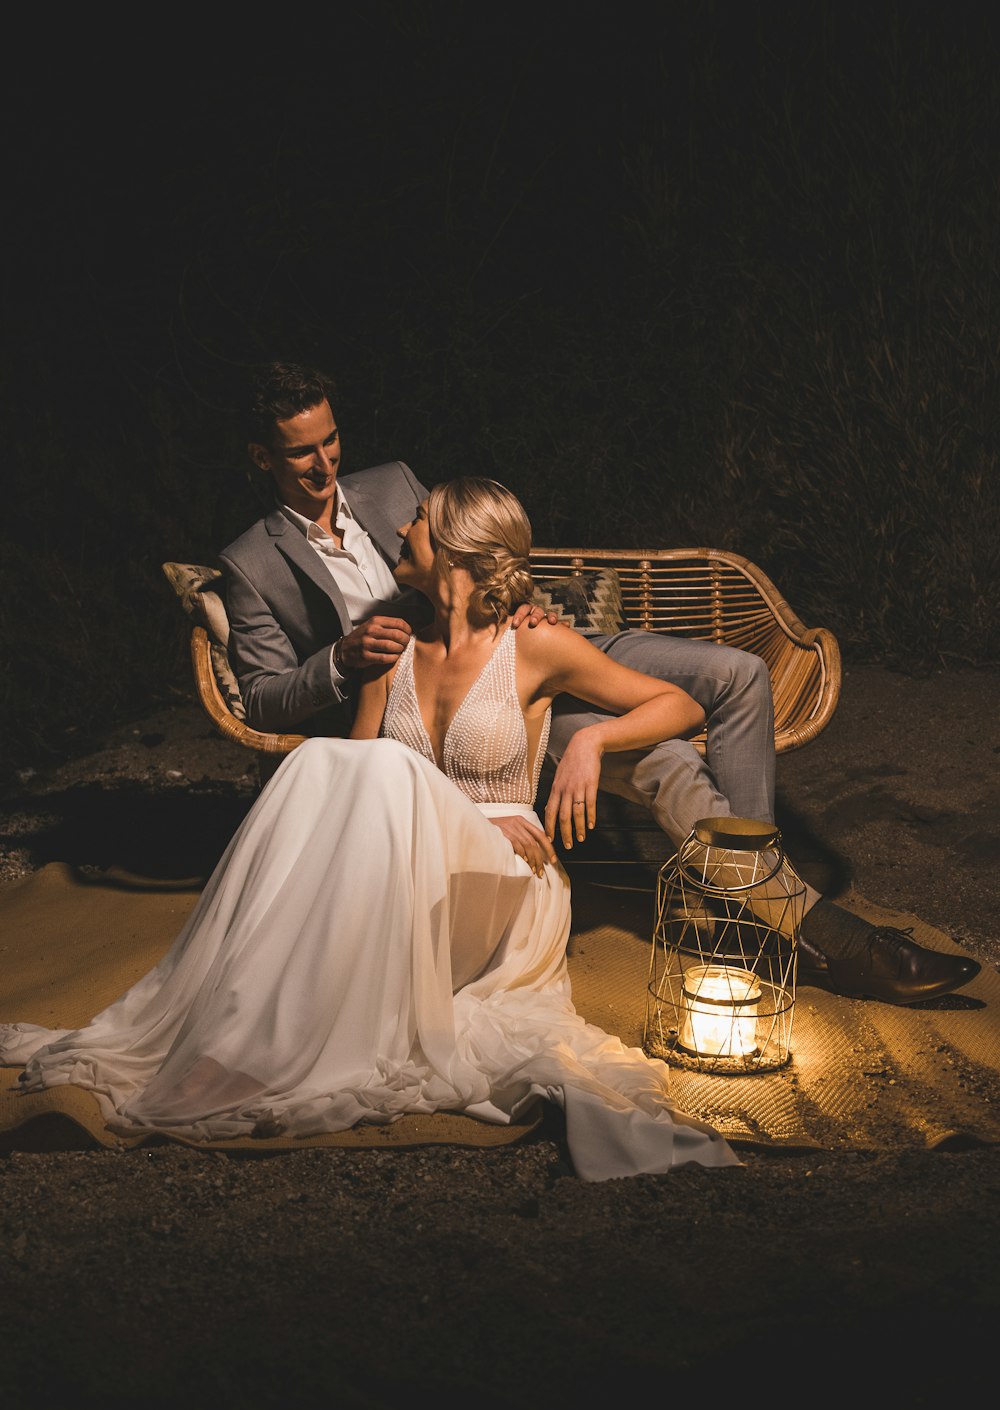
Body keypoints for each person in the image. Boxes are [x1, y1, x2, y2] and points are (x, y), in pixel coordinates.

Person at [0, 478, 744, 1180]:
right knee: (321, 765)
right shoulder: (392, 649)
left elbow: (680, 705)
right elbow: (353, 779)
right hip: (411, 860)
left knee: (380, 774)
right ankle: (247, 1035)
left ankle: (262, 1034)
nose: (398, 524)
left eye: (418, 519)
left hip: (505, 874)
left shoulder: (534, 644)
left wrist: (590, 743)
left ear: (455, 549)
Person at [218, 361, 979, 1007]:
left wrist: (514, 614)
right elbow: (266, 699)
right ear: (258, 458)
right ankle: (808, 930)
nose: (326, 467)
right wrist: (341, 662)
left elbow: (468, 538)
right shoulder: (255, 563)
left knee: (721, 688)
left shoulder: (391, 488)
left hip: (511, 656)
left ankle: (771, 923)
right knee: (673, 763)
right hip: (422, 721)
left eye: (331, 442)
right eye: (299, 456)